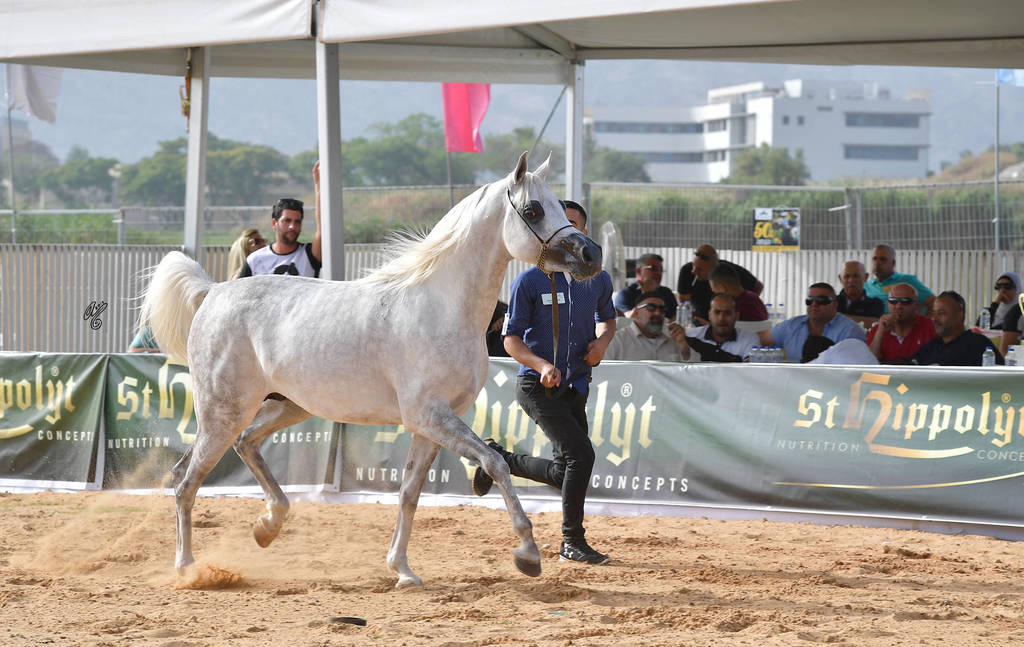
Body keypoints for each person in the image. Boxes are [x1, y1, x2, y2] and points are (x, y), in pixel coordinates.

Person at [474, 199, 616, 565]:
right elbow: (511, 340)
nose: (566, 233)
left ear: (582, 234)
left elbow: (608, 320)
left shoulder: (598, 279)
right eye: (560, 225)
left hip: (576, 385)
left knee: (566, 470)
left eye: (573, 225)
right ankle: (572, 542)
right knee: (580, 456)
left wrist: (601, 344)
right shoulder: (529, 280)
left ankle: (498, 459)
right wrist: (540, 365)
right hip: (538, 387)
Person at [239, 161, 323, 277]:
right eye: (287, 221)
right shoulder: (254, 260)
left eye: (297, 221)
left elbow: (323, 229)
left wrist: (319, 185)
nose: (292, 226)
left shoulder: (309, 254)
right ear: (274, 223)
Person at [758, 282, 866, 362]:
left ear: (835, 305)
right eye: (809, 300)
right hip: (792, 384)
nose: (814, 304)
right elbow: (760, 340)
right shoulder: (791, 326)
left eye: (821, 300)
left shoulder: (850, 331)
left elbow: (855, 368)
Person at [676, 244, 762, 326]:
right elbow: (684, 303)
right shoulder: (687, 272)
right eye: (693, 266)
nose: (693, 271)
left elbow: (758, 286)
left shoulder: (729, 271)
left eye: (699, 269)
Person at [910, 291, 1003, 366]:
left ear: (960, 315)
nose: (934, 319)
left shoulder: (978, 344)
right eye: (933, 314)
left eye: (941, 313)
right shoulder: (931, 346)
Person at [605, 293, 690, 361]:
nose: (657, 313)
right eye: (651, 307)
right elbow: (602, 372)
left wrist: (683, 345)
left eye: (662, 309)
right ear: (636, 313)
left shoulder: (674, 338)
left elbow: (694, 371)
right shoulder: (617, 340)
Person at [865, 283, 937, 363]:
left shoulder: (930, 326)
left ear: (917, 305)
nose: (898, 306)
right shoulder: (878, 329)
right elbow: (869, 363)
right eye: (893, 301)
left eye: (905, 301)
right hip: (886, 375)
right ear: (888, 304)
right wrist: (880, 333)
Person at [684, 293, 760, 362]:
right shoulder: (691, 336)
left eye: (727, 313)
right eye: (717, 312)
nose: (721, 318)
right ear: (709, 315)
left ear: (736, 316)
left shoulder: (749, 339)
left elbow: (749, 371)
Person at [864, 244, 934, 314]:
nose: (877, 263)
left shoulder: (908, 281)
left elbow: (933, 302)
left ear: (893, 263)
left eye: (883, 259)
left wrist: (926, 323)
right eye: (874, 259)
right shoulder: (865, 286)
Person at [613, 253, 678, 319]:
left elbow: (675, 317)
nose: (658, 273)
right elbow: (630, 319)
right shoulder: (626, 294)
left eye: (660, 269)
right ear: (639, 271)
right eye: (654, 268)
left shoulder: (666, 292)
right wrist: (647, 295)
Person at [975, 272, 1024, 355]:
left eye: (1007, 287)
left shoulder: (1018, 311)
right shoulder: (994, 310)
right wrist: (996, 303)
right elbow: (980, 328)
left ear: (1017, 288)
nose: (1002, 291)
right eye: (998, 287)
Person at [836, 260, 884, 327]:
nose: (851, 280)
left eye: (856, 276)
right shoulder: (831, 302)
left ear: (866, 277)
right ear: (840, 278)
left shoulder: (876, 303)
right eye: (847, 276)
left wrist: (838, 318)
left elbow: (876, 324)